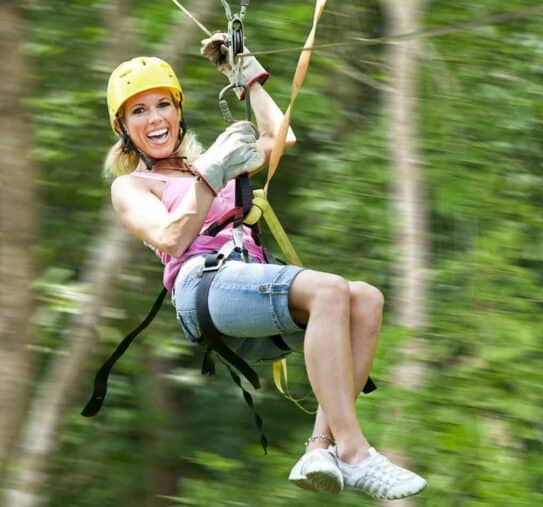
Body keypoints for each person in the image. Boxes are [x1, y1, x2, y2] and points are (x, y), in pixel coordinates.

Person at [104, 34, 426, 500]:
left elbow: (281, 137)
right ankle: (355, 453)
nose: (155, 119)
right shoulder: (134, 187)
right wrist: (211, 172)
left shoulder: (213, 159)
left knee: (366, 299)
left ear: (178, 110)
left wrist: (245, 73)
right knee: (330, 290)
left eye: (162, 105)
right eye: (139, 111)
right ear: (123, 127)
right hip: (205, 287)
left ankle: (321, 447)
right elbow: (172, 237)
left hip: (249, 284)